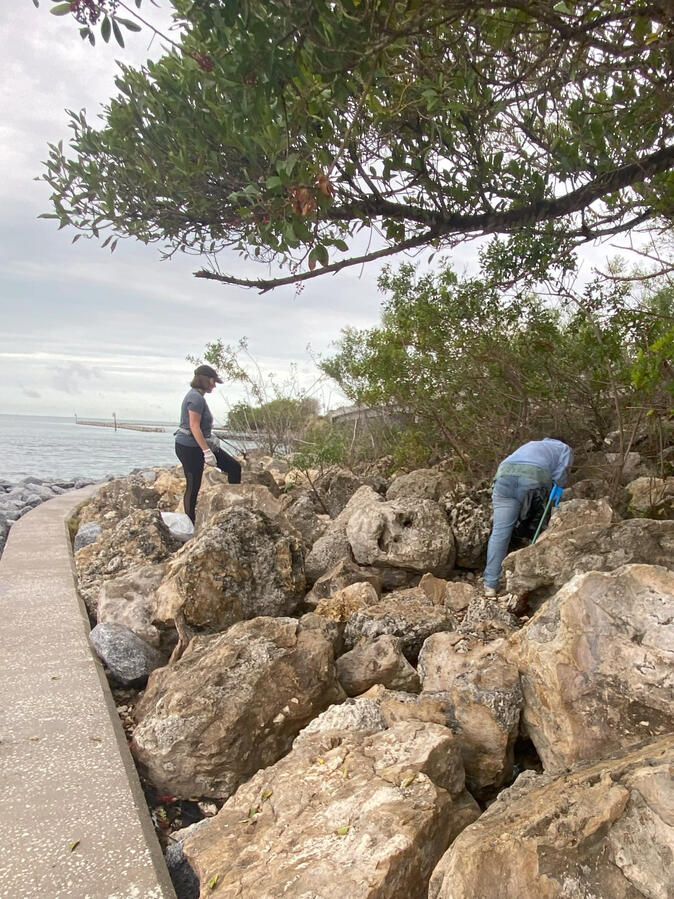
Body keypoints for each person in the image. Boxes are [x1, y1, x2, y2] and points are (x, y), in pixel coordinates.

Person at [482, 437, 573, 596]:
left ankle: (490, 584)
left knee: (500, 531)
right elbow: (560, 478)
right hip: (533, 477)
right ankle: (529, 574)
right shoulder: (564, 448)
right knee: (536, 524)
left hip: (504, 475)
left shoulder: (532, 444)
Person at [174, 364, 242, 523]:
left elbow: (200, 427)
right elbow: (193, 426)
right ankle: (189, 524)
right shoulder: (195, 398)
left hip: (198, 444)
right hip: (189, 447)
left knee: (234, 467)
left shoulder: (198, 396)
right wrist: (206, 451)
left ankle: (231, 507)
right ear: (206, 380)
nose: (214, 385)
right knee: (193, 485)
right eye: (213, 381)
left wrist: (209, 443)